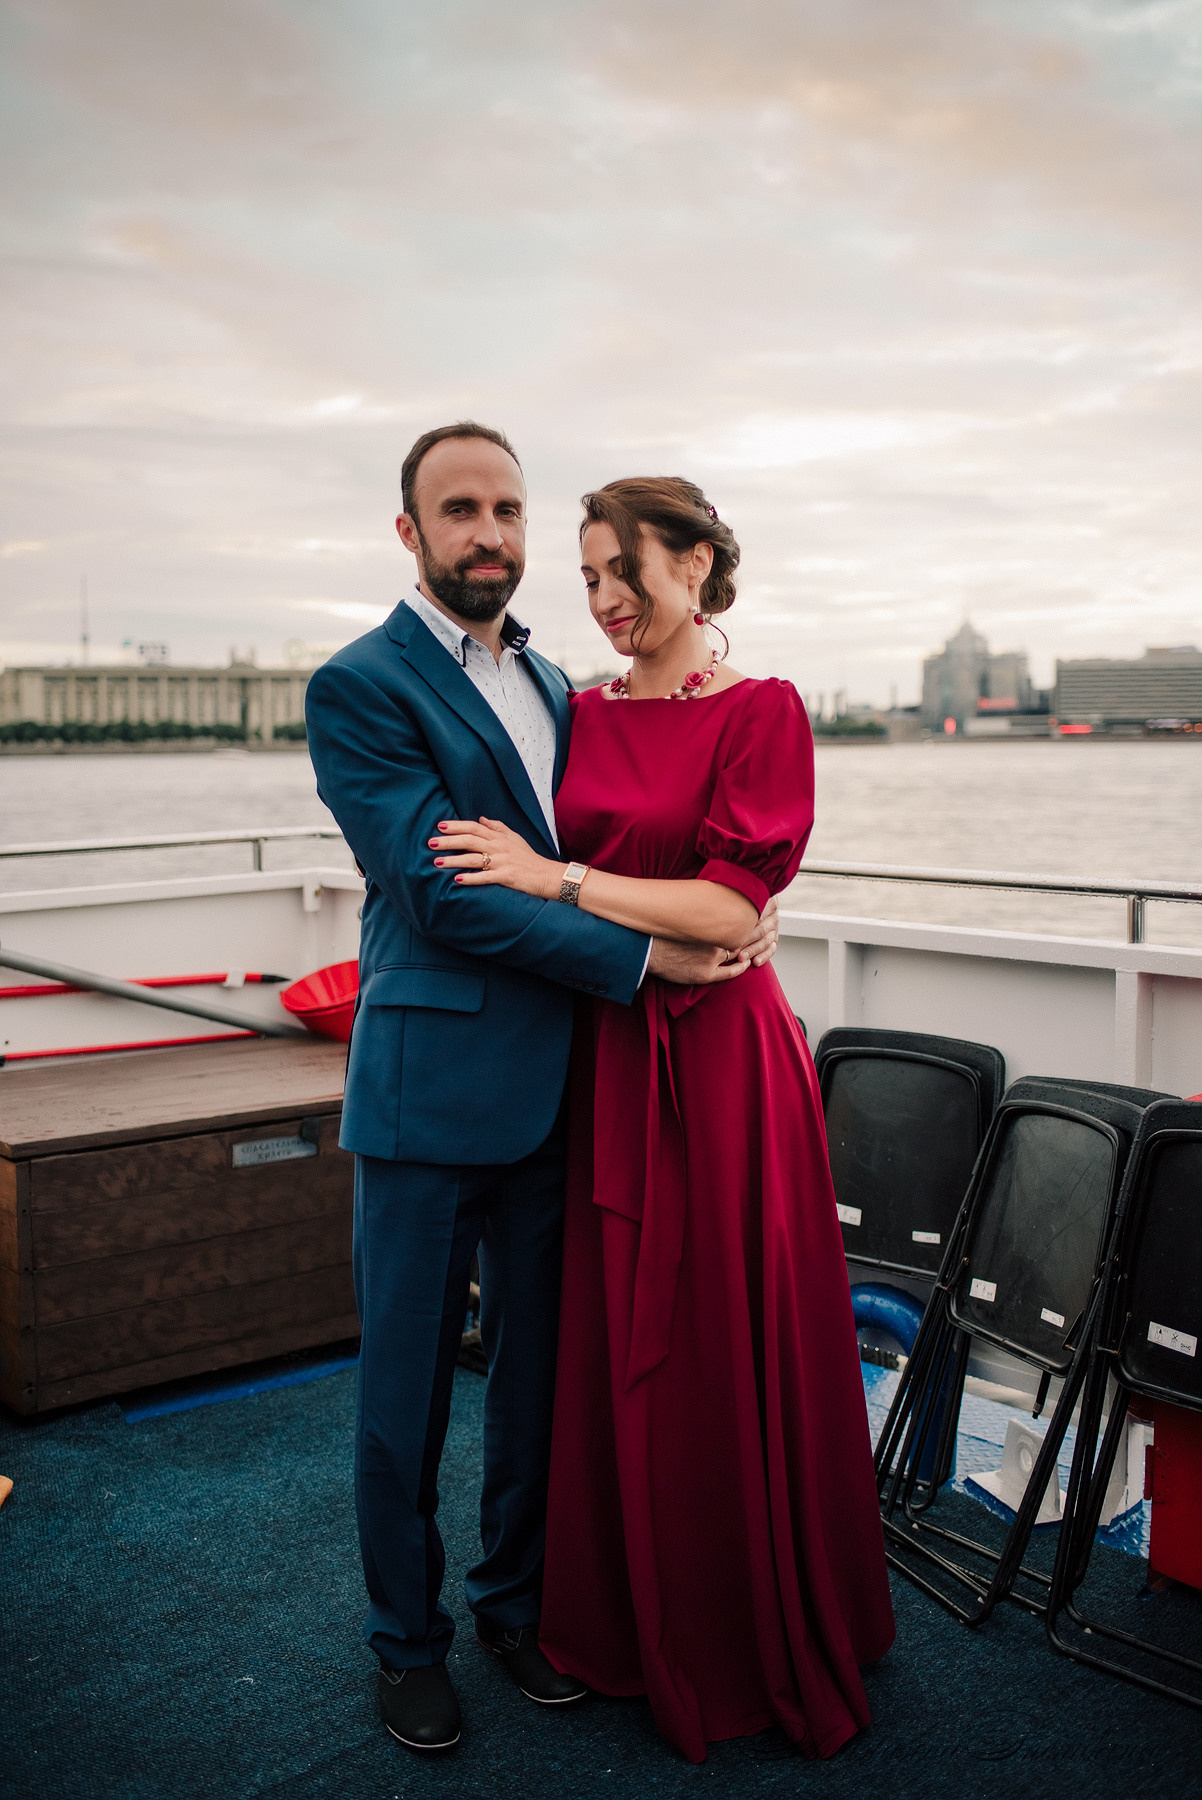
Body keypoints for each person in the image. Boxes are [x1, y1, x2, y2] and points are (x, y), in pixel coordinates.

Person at [304, 425, 779, 1756]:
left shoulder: (564, 685)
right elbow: (442, 891)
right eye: (459, 510)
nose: (490, 535)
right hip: (423, 1091)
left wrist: (737, 908)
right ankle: (406, 1645)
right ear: (409, 532)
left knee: (536, 1382)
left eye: (505, 508)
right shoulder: (360, 686)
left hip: (565, 1090)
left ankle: (514, 1609)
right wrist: (653, 959)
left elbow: (622, 839)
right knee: (402, 1396)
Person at [429, 475, 895, 1763]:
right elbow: (638, 899)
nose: (603, 598)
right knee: (604, 1335)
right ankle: (622, 1617)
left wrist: (566, 878)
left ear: (696, 564)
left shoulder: (763, 712)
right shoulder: (573, 717)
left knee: (720, 1335)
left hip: (725, 1064)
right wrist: (607, 899)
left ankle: (750, 1623)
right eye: (585, 577)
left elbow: (735, 911)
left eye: (622, 569)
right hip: (606, 1045)